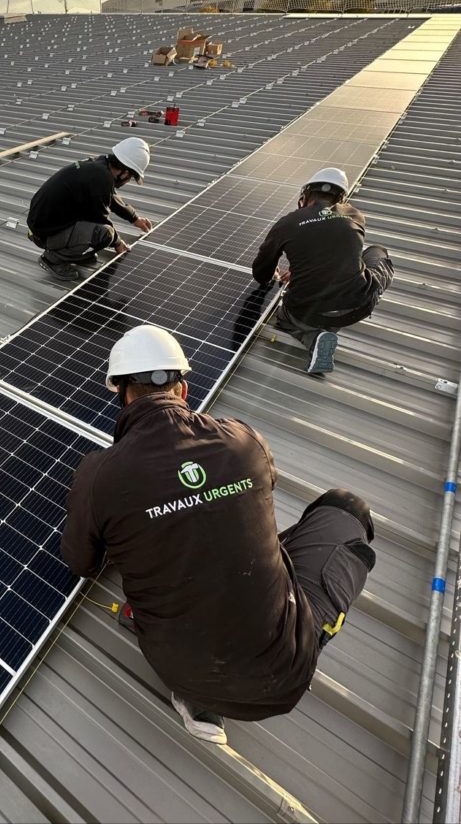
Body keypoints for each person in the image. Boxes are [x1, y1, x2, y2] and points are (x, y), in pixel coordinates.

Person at [61, 324, 376, 744]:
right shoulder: (244, 441)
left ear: (120, 394)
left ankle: (195, 700)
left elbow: (80, 562)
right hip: (284, 675)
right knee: (346, 507)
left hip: (181, 671)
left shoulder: (98, 474)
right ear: (185, 390)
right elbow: (263, 490)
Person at [252, 167, 394, 375]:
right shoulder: (355, 215)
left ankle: (313, 338)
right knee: (377, 252)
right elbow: (336, 250)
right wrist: (300, 268)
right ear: (340, 197)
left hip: (307, 313)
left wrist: (279, 272)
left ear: (305, 195)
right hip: (357, 306)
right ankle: (370, 294)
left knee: (283, 317)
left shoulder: (287, 223)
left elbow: (261, 274)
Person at [27, 136, 153, 281]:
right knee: (105, 234)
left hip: (41, 225)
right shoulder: (101, 178)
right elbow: (100, 219)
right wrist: (118, 243)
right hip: (43, 234)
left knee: (99, 233)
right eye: (131, 177)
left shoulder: (100, 166)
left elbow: (110, 196)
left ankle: (72, 252)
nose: (128, 180)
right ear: (124, 172)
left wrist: (134, 218)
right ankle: (52, 259)